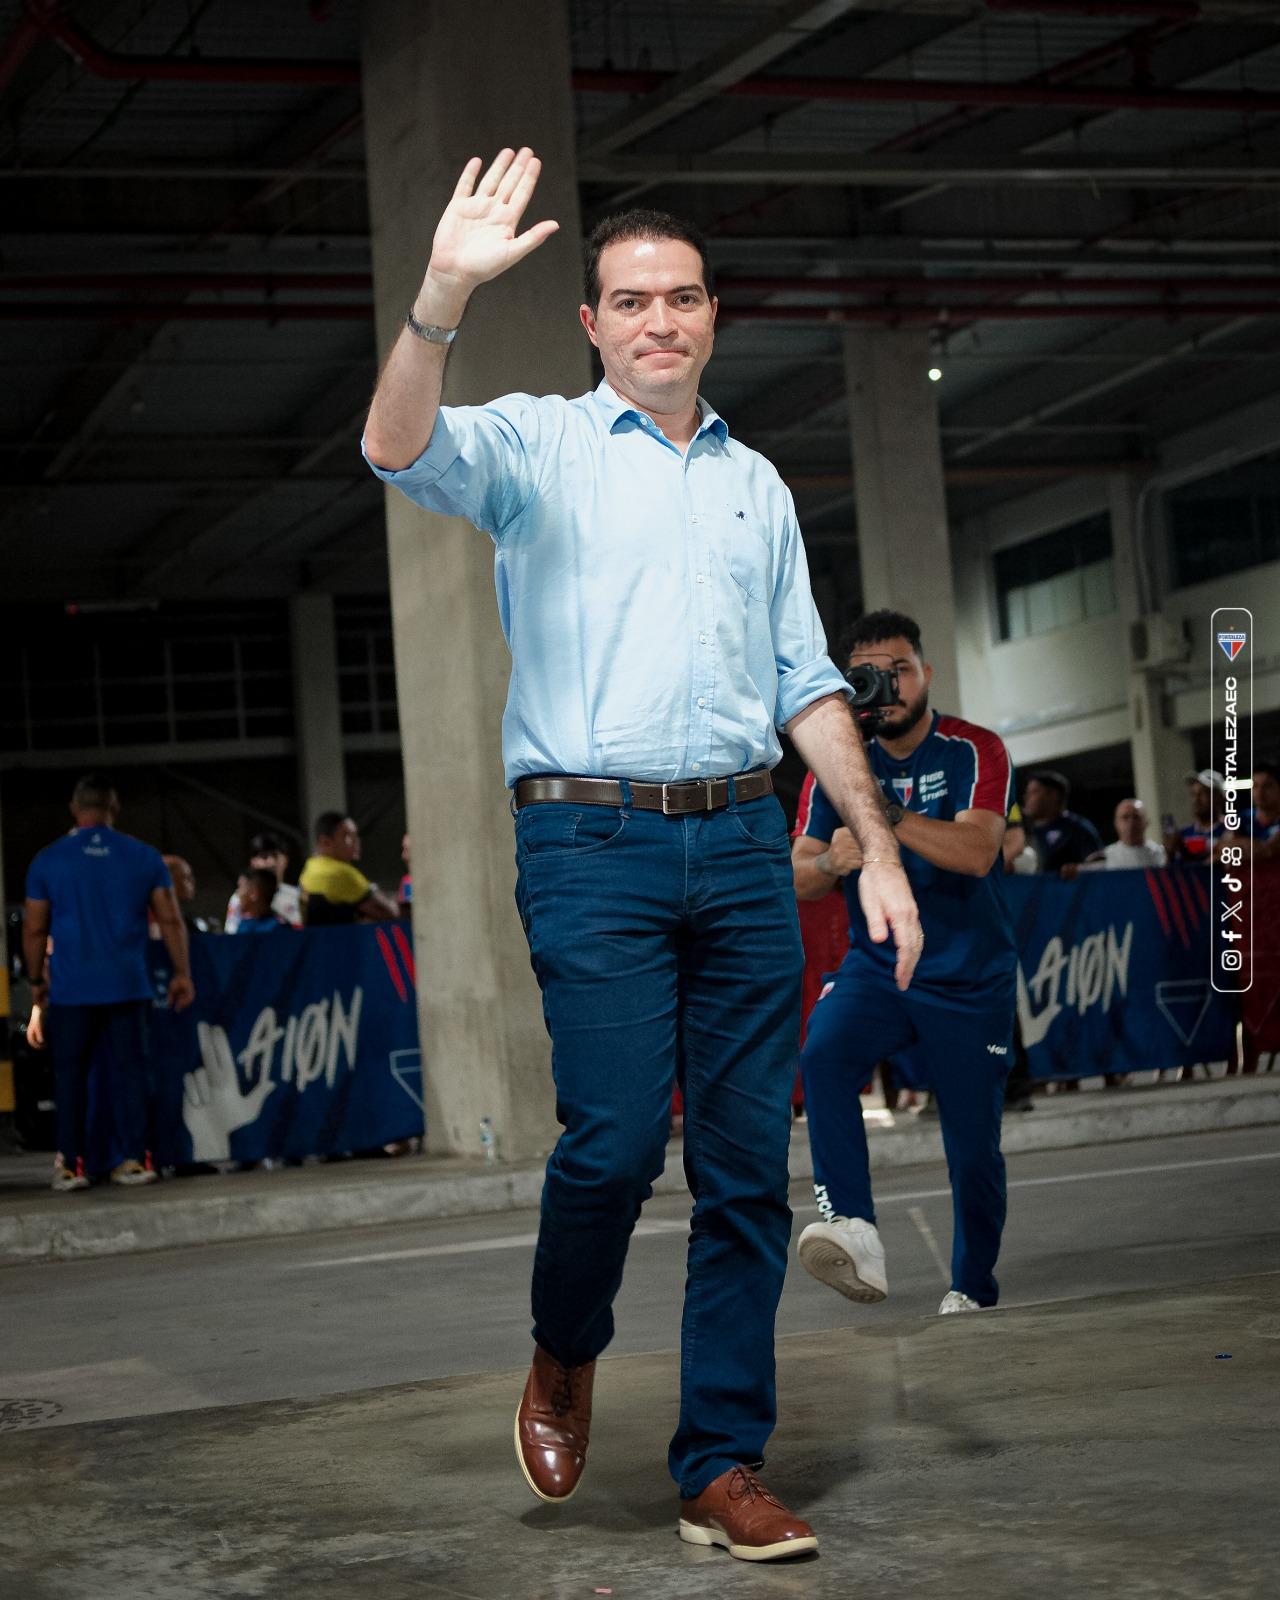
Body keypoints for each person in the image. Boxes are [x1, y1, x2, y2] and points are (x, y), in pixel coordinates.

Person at [361, 147, 922, 1561]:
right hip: (588, 842)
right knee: (611, 1142)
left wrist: (879, 848)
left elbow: (807, 682)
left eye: (681, 298)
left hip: (739, 842)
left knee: (747, 1171)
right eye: (631, 300)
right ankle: (564, 1346)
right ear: (593, 324)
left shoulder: (759, 489)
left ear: (713, 317)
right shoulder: (538, 447)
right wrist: (439, 291)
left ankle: (720, 1465)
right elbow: (394, 447)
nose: (659, 320)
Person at [792, 610, 1016, 1317]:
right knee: (822, 1057)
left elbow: (979, 852)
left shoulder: (973, 749)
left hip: (967, 974)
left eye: (899, 670)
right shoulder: (835, 758)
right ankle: (855, 1230)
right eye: (868, 674)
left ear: (926, 674)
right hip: (878, 967)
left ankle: (973, 1288)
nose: (884, 687)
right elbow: (797, 872)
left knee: (973, 1147)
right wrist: (831, 857)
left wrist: (883, 817)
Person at [22, 774, 194, 1190]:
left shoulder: (48, 860)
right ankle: (135, 1160)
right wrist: (182, 973)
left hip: (70, 989)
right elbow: (170, 918)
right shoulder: (143, 856)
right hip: (127, 984)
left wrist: (35, 984)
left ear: (74, 809)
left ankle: (72, 1165)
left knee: (71, 1076)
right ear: (113, 809)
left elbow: (33, 929)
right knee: (132, 1073)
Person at [298, 812, 398, 926]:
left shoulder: (311, 865)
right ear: (326, 842)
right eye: (347, 836)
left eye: (356, 835)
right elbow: (391, 914)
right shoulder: (340, 873)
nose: (356, 841)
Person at [1020, 770, 1102, 875]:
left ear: (1054, 795)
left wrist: (1077, 869)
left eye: (1034, 792)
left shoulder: (1077, 827)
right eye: (1027, 792)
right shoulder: (1025, 832)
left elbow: (1100, 864)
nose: (1026, 797)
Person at [224, 832, 302, 931]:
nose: (271, 862)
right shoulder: (239, 898)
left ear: (285, 860)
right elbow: (232, 933)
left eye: (275, 856)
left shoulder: (295, 895)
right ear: (253, 862)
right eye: (264, 856)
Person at [1070, 798, 1167, 874]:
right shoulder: (1104, 857)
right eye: (1125, 817)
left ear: (1146, 823)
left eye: (1136, 817)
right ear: (1116, 823)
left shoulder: (1162, 854)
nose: (1131, 823)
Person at [1165, 769, 1226, 862]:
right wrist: (1170, 854)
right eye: (1193, 794)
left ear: (1219, 797)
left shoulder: (1233, 831)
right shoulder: (1182, 835)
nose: (1196, 800)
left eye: (1203, 793)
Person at [163, 855, 214, 934]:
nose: (192, 882)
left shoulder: (184, 919)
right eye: (186, 877)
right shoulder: (154, 921)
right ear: (169, 881)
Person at [229, 868, 286, 934]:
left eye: (240, 887)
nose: (237, 892)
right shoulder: (242, 924)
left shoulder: (276, 929)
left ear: (253, 893)